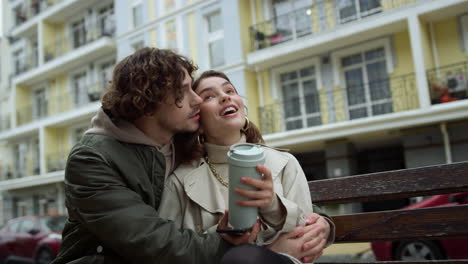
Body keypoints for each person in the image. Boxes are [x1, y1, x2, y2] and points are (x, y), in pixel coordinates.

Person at [52, 48, 258, 264]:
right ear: (148, 102)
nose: (197, 99)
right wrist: (228, 245)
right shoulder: (91, 159)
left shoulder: (181, 140)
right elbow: (152, 242)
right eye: (182, 90)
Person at [159, 70, 335, 263]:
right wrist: (223, 239)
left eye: (230, 91)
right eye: (209, 96)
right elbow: (168, 250)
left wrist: (273, 207)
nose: (225, 97)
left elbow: (307, 241)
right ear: (197, 122)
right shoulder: (180, 181)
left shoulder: (285, 163)